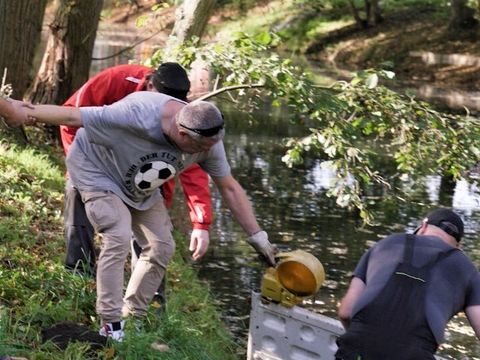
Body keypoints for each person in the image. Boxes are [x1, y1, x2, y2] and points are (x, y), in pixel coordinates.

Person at [0, 91, 277, 342]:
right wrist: (25, 112)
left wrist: (258, 237)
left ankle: (133, 315)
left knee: (162, 246)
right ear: (182, 134)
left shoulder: (209, 140)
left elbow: (228, 187)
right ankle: (110, 325)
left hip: (140, 188)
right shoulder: (137, 114)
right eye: (201, 148)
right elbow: (74, 114)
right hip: (98, 172)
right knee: (118, 235)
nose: (207, 152)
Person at [61, 63, 210, 304]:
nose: (167, 111)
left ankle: (151, 297)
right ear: (150, 84)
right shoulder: (116, 80)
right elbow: (70, 114)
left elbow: (193, 170)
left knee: (154, 230)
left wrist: (201, 223)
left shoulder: (184, 115)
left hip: (145, 168)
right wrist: (77, 168)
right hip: (99, 158)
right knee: (76, 192)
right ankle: (79, 270)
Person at [335, 208, 480, 360]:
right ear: (457, 246)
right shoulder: (467, 269)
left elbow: (346, 312)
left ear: (423, 227)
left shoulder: (384, 245)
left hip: (355, 348)